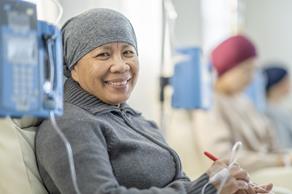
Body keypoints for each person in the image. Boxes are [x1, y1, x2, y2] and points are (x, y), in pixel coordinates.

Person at [35, 9, 272, 194]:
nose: (121, 65)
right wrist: (207, 187)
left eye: (128, 52)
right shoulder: (69, 124)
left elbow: (181, 183)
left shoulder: (138, 121)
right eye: (103, 54)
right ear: (72, 67)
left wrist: (227, 187)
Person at [192, 35, 292, 172]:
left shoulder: (242, 100)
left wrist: (283, 156)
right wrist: (278, 160)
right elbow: (222, 157)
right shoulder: (209, 104)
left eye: (253, 70)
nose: (251, 78)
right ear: (225, 69)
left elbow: (270, 141)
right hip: (247, 178)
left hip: (267, 172)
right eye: (245, 70)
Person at [263, 65, 292, 150]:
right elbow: (282, 145)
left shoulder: (280, 109)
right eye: (287, 80)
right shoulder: (270, 112)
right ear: (279, 83)